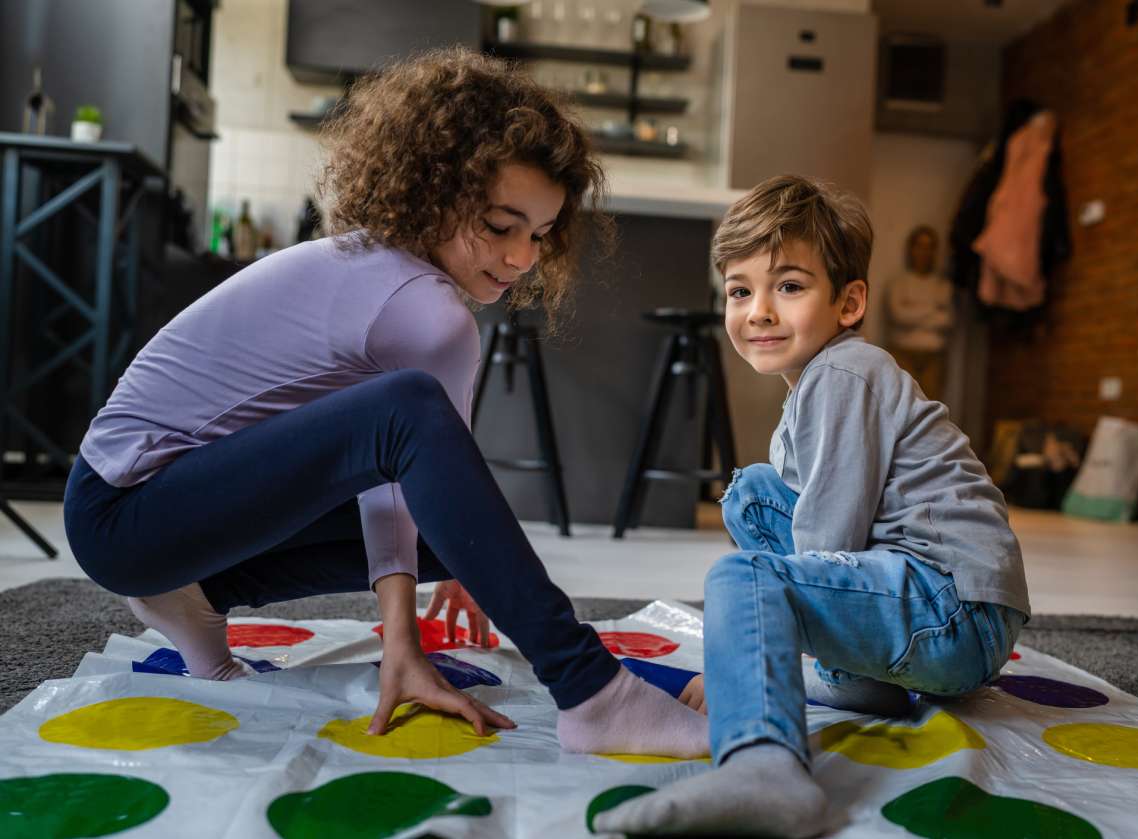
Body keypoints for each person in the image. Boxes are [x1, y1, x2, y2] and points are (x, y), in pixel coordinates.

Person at [61, 48, 708, 758]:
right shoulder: (424, 309)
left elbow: (399, 479)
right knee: (419, 435)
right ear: (436, 190)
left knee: (461, 529)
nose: (522, 256)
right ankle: (593, 693)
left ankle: (195, 594)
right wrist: (403, 637)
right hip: (124, 513)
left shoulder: (382, 268)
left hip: (153, 513)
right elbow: (401, 446)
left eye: (540, 233)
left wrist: (461, 565)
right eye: (500, 225)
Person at [597, 175, 1030, 837]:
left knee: (741, 577)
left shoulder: (842, 373)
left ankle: (764, 765)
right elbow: (815, 534)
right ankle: (861, 683)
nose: (758, 311)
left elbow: (831, 540)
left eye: (788, 286)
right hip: (942, 602)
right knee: (751, 494)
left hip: (950, 605)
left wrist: (740, 670)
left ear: (848, 301)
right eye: (740, 290)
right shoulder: (820, 383)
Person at [885, 224, 953, 401]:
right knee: (901, 405)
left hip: (933, 357)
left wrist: (913, 308)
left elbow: (946, 320)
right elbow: (898, 316)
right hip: (903, 353)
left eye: (929, 247)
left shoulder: (943, 286)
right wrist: (932, 308)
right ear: (911, 249)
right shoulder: (898, 283)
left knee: (930, 409)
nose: (924, 252)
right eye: (920, 246)